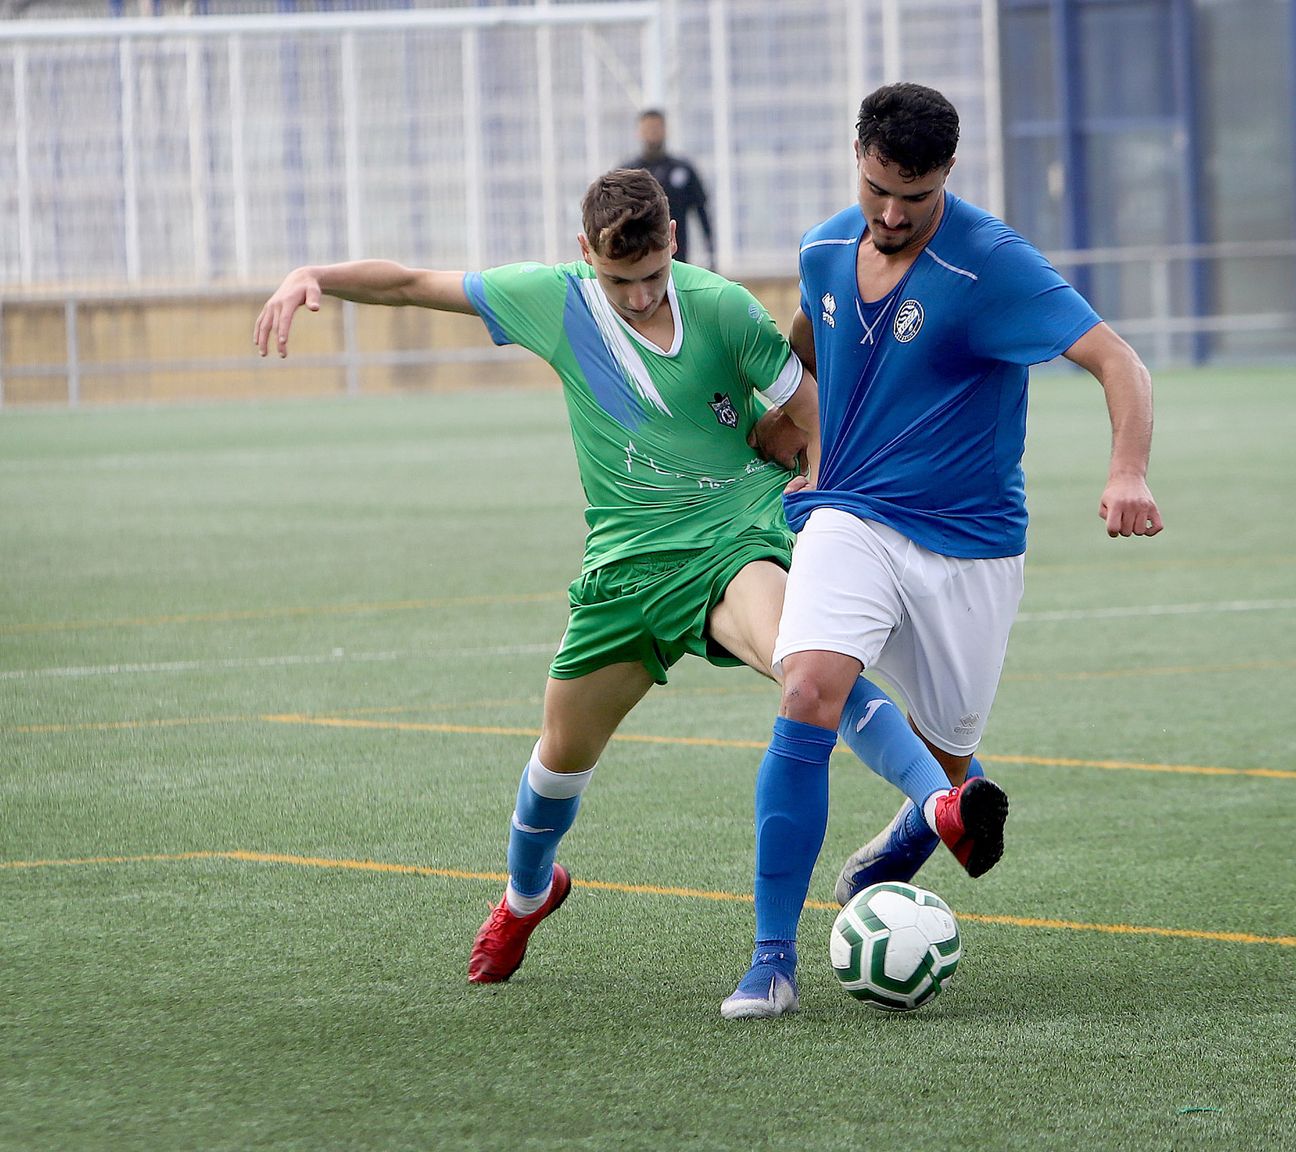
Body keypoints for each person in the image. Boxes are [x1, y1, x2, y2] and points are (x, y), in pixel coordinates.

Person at [252, 167, 988, 1003]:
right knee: (558, 763)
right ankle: (528, 897)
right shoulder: (554, 299)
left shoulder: (722, 308)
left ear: (672, 242)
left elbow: (814, 413)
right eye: (617, 280)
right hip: (625, 569)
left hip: (730, 539)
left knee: (806, 667)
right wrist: (310, 274)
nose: (637, 298)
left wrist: (811, 499)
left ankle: (941, 806)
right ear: (585, 254)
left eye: (649, 277)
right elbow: (417, 284)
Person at [720, 84, 1163, 1019]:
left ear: (947, 175)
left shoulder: (993, 265)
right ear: (859, 156)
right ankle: (770, 961)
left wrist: (1129, 473)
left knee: (950, 750)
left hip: (971, 548)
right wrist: (789, 423)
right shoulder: (825, 246)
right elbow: (812, 330)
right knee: (807, 690)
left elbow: (1119, 361)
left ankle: (910, 834)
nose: (890, 214)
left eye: (913, 199)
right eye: (878, 188)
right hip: (847, 515)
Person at [623, 109, 715, 269]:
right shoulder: (627, 171)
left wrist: (711, 251)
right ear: (639, 132)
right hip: (638, 257)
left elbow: (701, 211)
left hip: (677, 256)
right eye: (648, 128)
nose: (653, 132)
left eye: (657, 127)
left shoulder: (683, 169)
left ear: (666, 130)